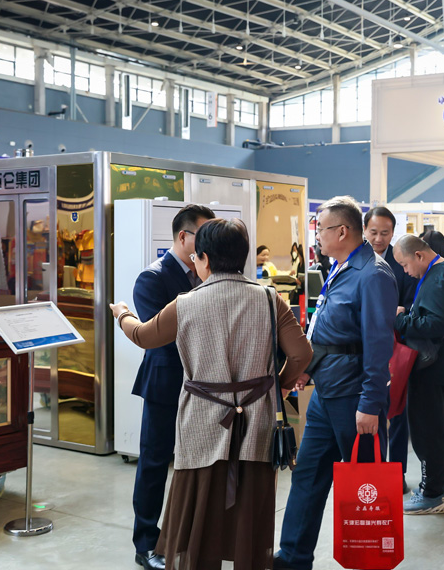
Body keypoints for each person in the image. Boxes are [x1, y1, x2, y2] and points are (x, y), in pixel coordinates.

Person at [112, 218, 312, 570]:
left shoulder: (187, 303)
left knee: (197, 504)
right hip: (258, 418)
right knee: (251, 504)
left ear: (202, 258)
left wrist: (122, 314)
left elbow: (143, 336)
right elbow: (301, 354)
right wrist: (279, 384)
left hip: (203, 418)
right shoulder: (269, 300)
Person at [275, 196, 397, 570]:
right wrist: (308, 368)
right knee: (308, 476)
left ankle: (369, 559)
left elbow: (378, 345)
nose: (317, 236)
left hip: (355, 399)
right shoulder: (342, 268)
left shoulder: (373, 275)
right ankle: (293, 558)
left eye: (321, 229)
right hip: (327, 392)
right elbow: (330, 333)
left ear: (342, 231)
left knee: (366, 487)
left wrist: (370, 404)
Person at [128, 204, 215, 570]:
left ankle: (189, 536)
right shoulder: (152, 279)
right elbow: (160, 336)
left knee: (200, 463)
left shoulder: (208, 275)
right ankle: (147, 542)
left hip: (206, 385)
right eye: (204, 234)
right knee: (154, 463)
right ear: (183, 237)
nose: (210, 243)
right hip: (167, 384)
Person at [393, 235, 444, 514]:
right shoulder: (443, 273)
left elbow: (434, 324)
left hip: (432, 368)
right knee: (442, 426)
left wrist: (399, 318)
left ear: (420, 256)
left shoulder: (438, 279)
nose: (405, 271)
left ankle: (431, 493)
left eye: (405, 264)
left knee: (428, 430)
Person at [363, 206, 416, 490]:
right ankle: (371, 471)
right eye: (373, 232)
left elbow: (410, 302)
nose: (379, 238)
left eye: (385, 233)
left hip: (396, 347)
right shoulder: (355, 260)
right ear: (364, 230)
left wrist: (401, 309)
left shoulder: (401, 262)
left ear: (393, 233)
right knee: (368, 410)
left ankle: (397, 471)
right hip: (364, 348)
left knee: (397, 411)